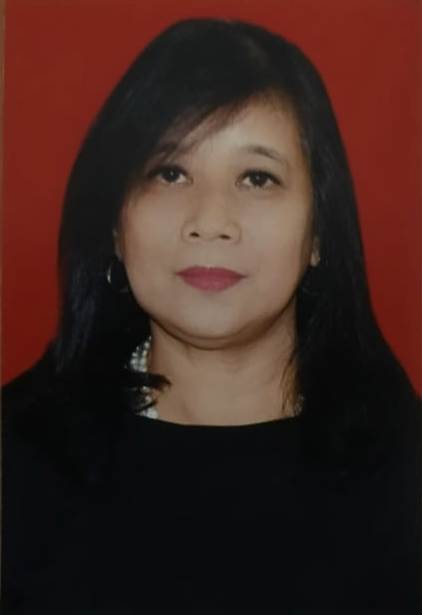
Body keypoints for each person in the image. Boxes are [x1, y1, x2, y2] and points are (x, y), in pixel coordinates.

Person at [2, 17, 421, 614]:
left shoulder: (404, 470)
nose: (210, 221)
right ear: (115, 225)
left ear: (319, 234)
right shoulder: (18, 459)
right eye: (170, 173)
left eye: (257, 178)